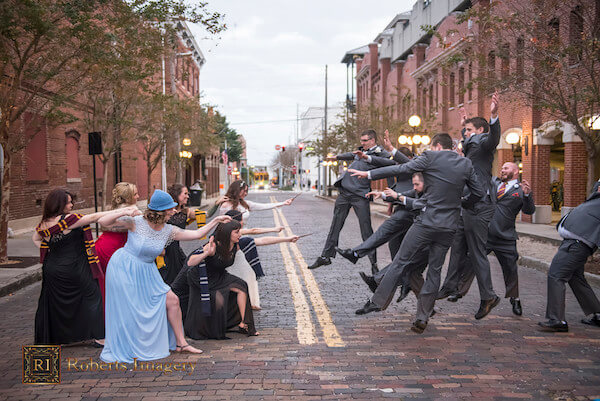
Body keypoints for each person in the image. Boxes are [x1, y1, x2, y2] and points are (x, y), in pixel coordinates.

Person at [350, 133, 484, 333]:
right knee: (435, 271)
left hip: (426, 222)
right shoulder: (465, 164)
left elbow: (402, 168)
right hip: (449, 226)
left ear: (437, 146)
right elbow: (479, 193)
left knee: (400, 261)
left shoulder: (431, 156)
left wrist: (369, 175)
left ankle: (377, 302)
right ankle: (422, 316)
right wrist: (461, 203)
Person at [98, 190, 231, 362]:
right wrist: (123, 211)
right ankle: (132, 346)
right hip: (124, 268)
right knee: (131, 310)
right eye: (170, 209)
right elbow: (103, 222)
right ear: (161, 211)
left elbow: (197, 235)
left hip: (147, 270)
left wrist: (216, 220)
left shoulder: (169, 230)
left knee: (172, 300)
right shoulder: (136, 223)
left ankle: (181, 343)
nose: (174, 211)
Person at [32, 189, 137, 346]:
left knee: (55, 303)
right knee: (93, 296)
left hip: (52, 267)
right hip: (74, 267)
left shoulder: (44, 223)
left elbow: (36, 238)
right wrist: (124, 210)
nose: (71, 204)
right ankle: (100, 338)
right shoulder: (68, 220)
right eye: (68, 202)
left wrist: (54, 248)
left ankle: (56, 338)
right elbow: (94, 217)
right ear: (59, 204)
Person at [438, 92, 502, 320]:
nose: (464, 134)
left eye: (468, 131)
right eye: (464, 132)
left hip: (480, 205)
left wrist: (494, 116)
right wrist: (464, 125)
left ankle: (489, 297)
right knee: (456, 247)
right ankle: (449, 285)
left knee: (476, 253)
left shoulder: (484, 144)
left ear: (480, 132)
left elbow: (493, 139)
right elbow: (464, 148)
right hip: (465, 204)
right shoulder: (469, 145)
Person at [439, 163, 535, 316]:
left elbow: (529, 211)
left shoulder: (520, 189)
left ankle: (514, 298)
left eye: (506, 168)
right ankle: (459, 290)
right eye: (502, 168)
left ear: (516, 171)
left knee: (510, 269)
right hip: (486, 233)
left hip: (505, 236)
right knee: (472, 260)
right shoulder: (493, 183)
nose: (503, 170)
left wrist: (528, 196)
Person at [308, 129, 392, 273]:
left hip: (360, 195)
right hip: (344, 193)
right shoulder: (360, 151)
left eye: (365, 141)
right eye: (361, 141)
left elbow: (390, 163)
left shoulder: (380, 153)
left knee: (366, 230)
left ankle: (374, 264)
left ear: (372, 140)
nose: (362, 143)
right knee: (335, 225)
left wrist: (370, 156)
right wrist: (337, 157)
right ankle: (325, 256)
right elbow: (351, 154)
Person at [177, 220, 259, 340]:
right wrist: (206, 254)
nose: (240, 235)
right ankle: (211, 329)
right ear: (227, 233)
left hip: (219, 275)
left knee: (242, 286)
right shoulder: (214, 245)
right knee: (219, 298)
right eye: (236, 232)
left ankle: (244, 324)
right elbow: (190, 262)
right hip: (202, 277)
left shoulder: (235, 245)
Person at [538, 184, 600, 332]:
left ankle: (557, 319)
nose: (598, 187)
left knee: (556, 275)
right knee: (576, 278)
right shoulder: (596, 200)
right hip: (575, 244)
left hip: (576, 245)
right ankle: (598, 314)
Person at [223, 210, 299, 310]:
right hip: (226, 273)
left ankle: (248, 302)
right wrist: (279, 233)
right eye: (241, 220)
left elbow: (261, 238)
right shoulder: (234, 237)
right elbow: (256, 232)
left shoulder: (232, 236)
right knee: (247, 275)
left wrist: (286, 238)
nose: (243, 223)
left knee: (248, 275)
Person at [94, 182, 140, 308]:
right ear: (129, 196)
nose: (138, 196)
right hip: (114, 250)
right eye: (135, 194)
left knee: (106, 284)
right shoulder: (132, 211)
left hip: (103, 246)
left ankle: (105, 315)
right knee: (120, 287)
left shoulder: (113, 210)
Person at [159, 184, 197, 285]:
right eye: (185, 193)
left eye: (188, 194)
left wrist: (217, 204)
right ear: (177, 195)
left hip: (176, 251)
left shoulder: (186, 212)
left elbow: (205, 214)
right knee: (165, 280)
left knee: (184, 277)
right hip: (163, 252)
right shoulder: (165, 211)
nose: (188, 196)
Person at [218, 180, 294, 222]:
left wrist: (283, 203)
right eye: (244, 191)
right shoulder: (226, 205)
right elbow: (221, 224)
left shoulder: (244, 204)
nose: (246, 193)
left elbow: (264, 206)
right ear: (237, 190)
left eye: (246, 191)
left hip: (244, 236)